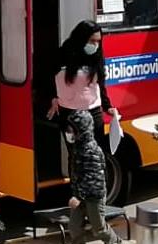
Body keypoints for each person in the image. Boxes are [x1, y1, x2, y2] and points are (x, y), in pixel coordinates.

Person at [61, 109, 128, 244]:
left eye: (72, 129)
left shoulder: (91, 151)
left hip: (94, 196)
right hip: (82, 195)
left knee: (98, 229)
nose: (69, 132)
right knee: (75, 225)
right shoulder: (78, 146)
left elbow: (94, 180)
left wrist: (79, 197)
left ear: (80, 130)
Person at [46, 20, 117, 156]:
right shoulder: (63, 54)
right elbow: (49, 77)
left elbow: (100, 84)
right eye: (91, 41)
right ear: (81, 39)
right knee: (75, 156)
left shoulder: (97, 56)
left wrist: (107, 106)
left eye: (98, 41)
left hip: (93, 112)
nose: (95, 45)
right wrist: (53, 98)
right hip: (70, 114)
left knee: (95, 155)